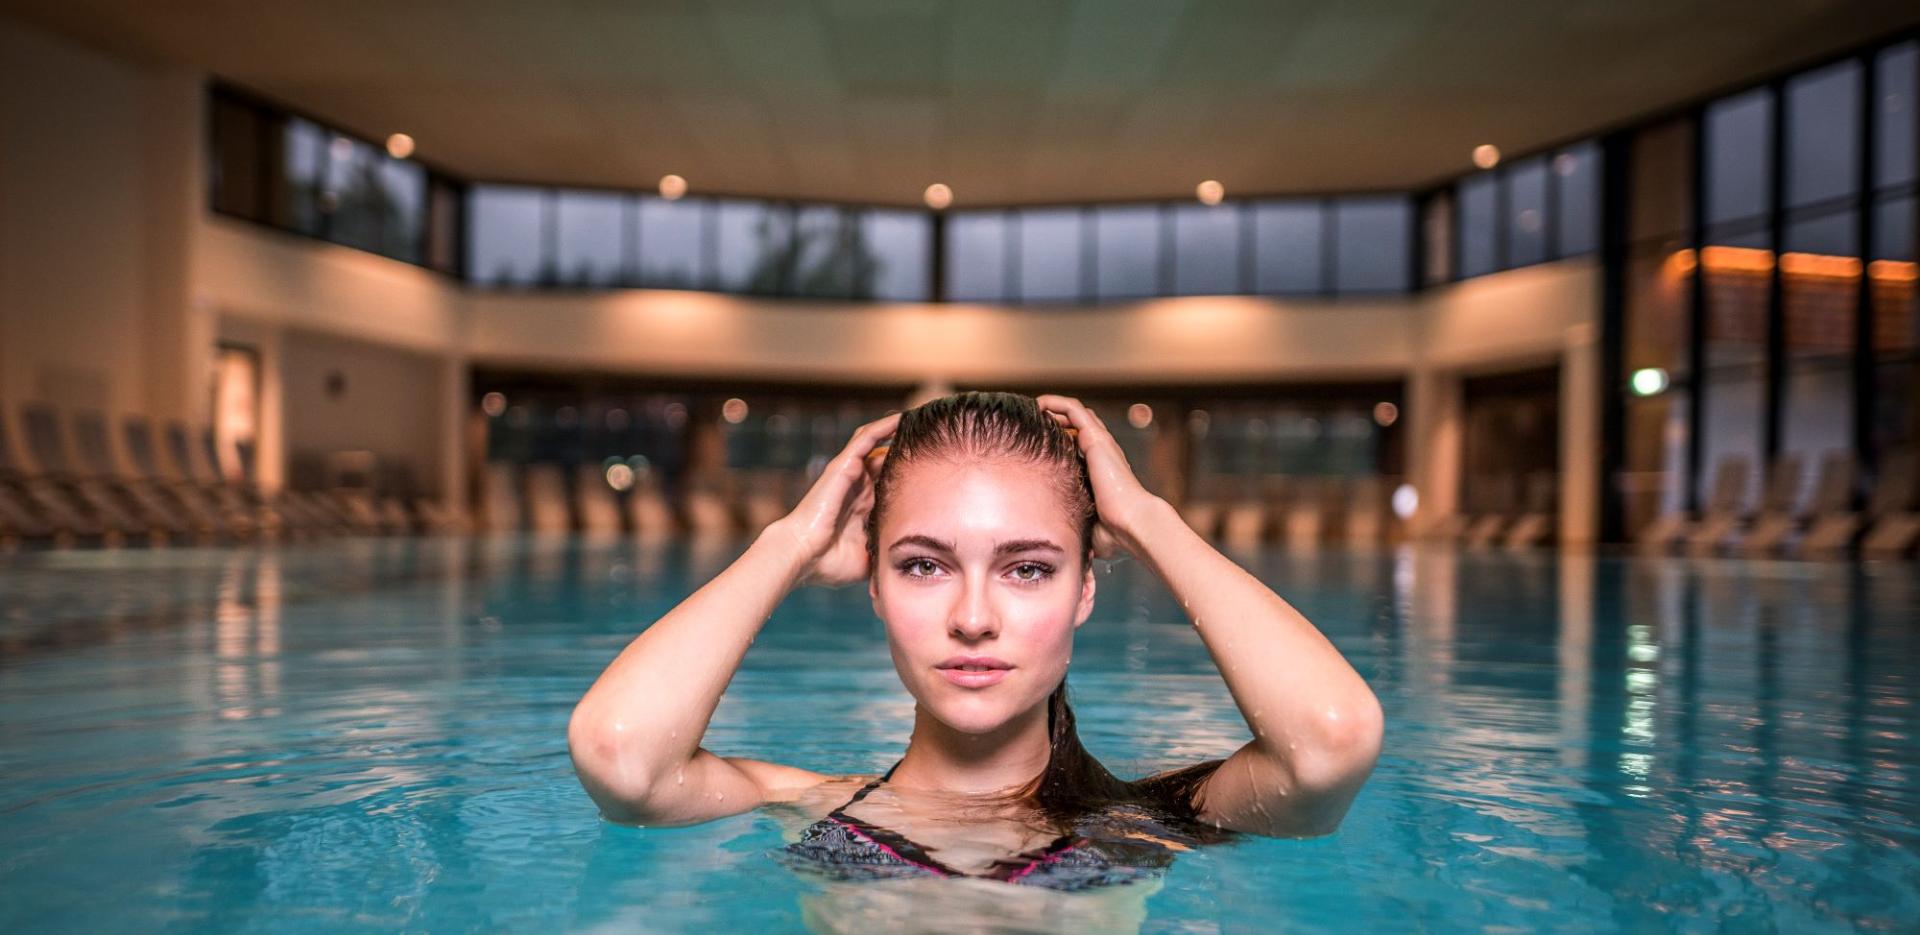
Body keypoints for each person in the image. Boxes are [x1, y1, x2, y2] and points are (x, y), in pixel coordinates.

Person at [568, 391, 1382, 893]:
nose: (973, 615)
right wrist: (788, 545)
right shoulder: (820, 807)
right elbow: (620, 755)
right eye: (924, 564)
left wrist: (1147, 520)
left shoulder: (1138, 824)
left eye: (1028, 569)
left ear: (1085, 589)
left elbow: (1329, 743)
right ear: (876, 588)